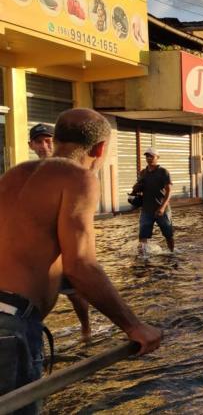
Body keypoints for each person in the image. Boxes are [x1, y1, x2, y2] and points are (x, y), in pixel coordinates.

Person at [0, 109, 162, 412]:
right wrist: (134, 326)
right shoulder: (79, 177)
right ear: (100, 149)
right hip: (9, 326)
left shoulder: (13, 175)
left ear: (56, 138)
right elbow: (80, 265)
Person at [27, 124, 92, 341]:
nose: (44, 145)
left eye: (48, 140)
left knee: (74, 293)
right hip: (37, 246)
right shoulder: (26, 173)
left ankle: (86, 329)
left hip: (63, 243)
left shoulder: (67, 171)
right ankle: (35, 335)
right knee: (32, 295)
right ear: (31, 145)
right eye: (39, 141)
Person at [134, 148, 174, 253]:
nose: (149, 158)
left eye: (151, 156)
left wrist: (162, 207)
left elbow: (169, 191)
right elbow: (137, 189)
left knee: (168, 235)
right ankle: (143, 259)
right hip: (146, 210)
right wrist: (136, 188)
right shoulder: (142, 173)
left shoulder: (163, 172)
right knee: (143, 237)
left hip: (162, 210)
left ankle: (172, 253)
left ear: (157, 158)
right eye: (147, 156)